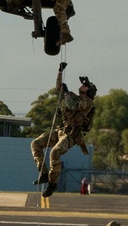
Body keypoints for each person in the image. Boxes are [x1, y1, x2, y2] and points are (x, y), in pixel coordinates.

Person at [31, 69, 97, 199]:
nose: (82, 85)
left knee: (54, 153)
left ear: (89, 91)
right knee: (35, 144)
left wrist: (66, 93)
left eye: (85, 85)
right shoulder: (74, 96)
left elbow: (72, 106)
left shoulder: (87, 102)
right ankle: (43, 173)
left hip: (71, 136)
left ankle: (52, 183)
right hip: (61, 130)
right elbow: (58, 88)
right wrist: (60, 72)